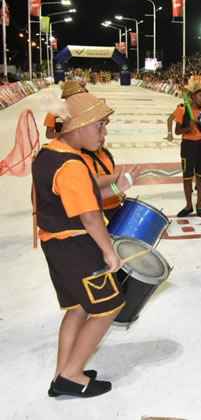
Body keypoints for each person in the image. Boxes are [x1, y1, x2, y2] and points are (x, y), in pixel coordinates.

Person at [33, 92, 141, 398]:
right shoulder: (72, 165)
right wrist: (109, 252)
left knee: (78, 307)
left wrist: (118, 183)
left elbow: (87, 187)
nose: (104, 133)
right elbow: (91, 216)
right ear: (79, 126)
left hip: (57, 246)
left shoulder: (50, 154)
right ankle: (71, 374)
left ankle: (62, 373)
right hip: (77, 247)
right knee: (109, 305)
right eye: (100, 126)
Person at [172, 76, 201, 217]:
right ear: (193, 95)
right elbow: (177, 131)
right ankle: (188, 205)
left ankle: (199, 205)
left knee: (200, 176)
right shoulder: (182, 110)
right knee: (187, 176)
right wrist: (189, 127)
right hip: (188, 144)